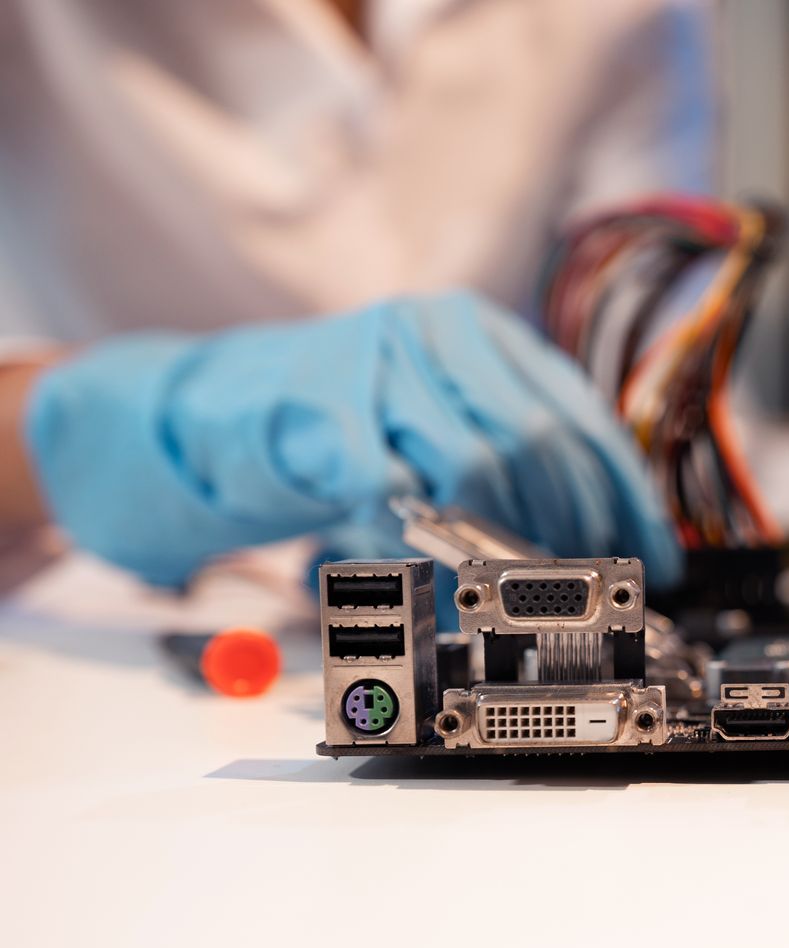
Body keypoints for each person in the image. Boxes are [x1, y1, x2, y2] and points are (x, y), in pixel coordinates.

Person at [0, 0, 712, 588]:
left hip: (498, 588)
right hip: (93, 610)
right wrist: (110, 426)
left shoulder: (630, 17)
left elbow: (657, 358)